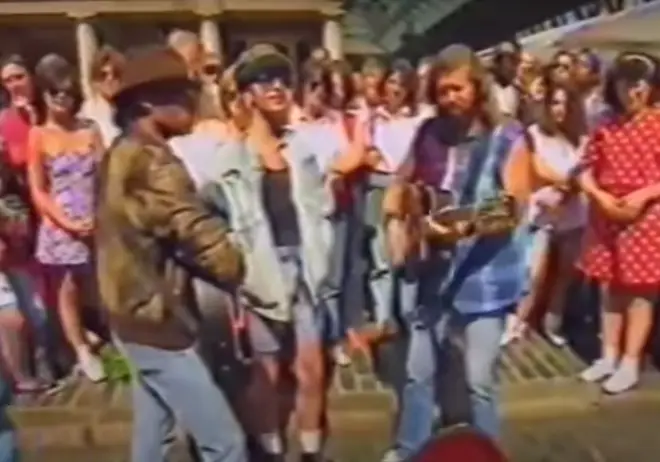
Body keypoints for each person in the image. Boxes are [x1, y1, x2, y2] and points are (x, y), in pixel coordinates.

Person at [96, 45, 246, 462]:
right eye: (181, 93)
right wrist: (239, 268)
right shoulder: (154, 162)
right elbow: (193, 230)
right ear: (146, 101)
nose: (193, 102)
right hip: (155, 320)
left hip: (129, 313)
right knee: (226, 445)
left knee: (154, 439)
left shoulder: (120, 152)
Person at [381, 44, 529, 462]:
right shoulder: (428, 132)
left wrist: (467, 224)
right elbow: (400, 182)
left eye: (458, 89)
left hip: (485, 276)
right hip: (433, 270)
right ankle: (411, 450)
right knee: (417, 373)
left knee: (479, 379)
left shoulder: (508, 136)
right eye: (443, 90)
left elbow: (517, 202)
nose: (450, 98)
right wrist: (403, 215)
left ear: (477, 88)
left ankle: (487, 454)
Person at [577, 52, 660, 395]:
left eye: (640, 82)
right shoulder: (603, 124)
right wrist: (598, 196)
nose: (633, 90)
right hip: (605, 213)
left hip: (647, 217)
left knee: (640, 294)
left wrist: (642, 196)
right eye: (627, 82)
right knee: (609, 290)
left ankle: (630, 360)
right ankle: (608, 355)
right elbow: (583, 170)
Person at [27, 54, 106, 382]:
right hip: (61, 223)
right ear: (43, 94)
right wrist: (68, 223)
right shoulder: (38, 135)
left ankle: (106, 335)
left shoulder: (90, 130)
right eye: (55, 93)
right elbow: (38, 189)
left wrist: (102, 215)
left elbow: (106, 176)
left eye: (68, 93)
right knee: (69, 288)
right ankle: (82, 350)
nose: (62, 100)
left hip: (97, 218)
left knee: (103, 284)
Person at [79, 45, 124, 148]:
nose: (110, 79)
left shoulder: (131, 108)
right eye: (103, 75)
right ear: (95, 80)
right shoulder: (88, 111)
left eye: (116, 74)